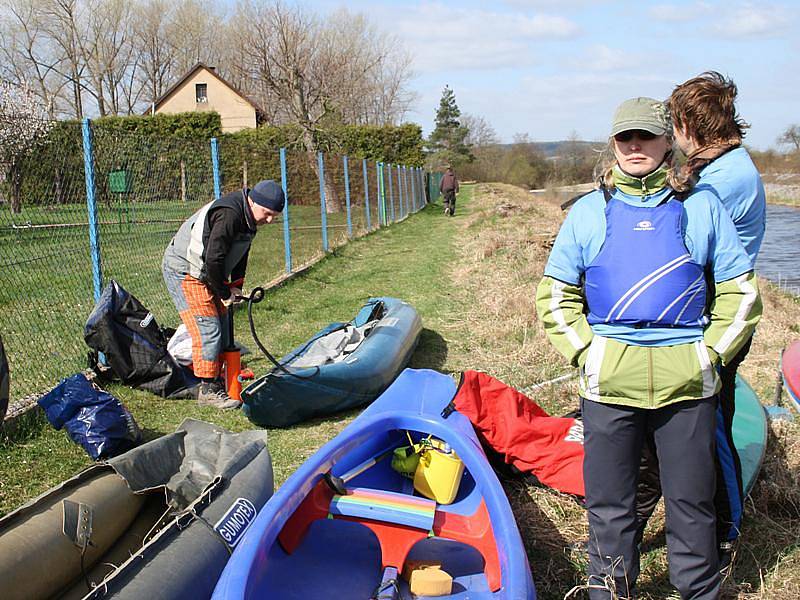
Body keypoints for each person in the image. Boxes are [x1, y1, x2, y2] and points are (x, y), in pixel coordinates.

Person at [536, 97, 761, 599]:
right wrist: (588, 353)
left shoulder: (701, 206)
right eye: (625, 138)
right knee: (610, 502)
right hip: (609, 382)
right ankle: (609, 590)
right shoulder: (589, 212)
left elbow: (740, 291)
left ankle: (698, 589)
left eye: (646, 137)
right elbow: (555, 294)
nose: (635, 146)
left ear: (667, 142)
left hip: (687, 383)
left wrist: (710, 354)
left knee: (692, 501)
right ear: (613, 145)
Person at [162, 179, 285, 409]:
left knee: (222, 319)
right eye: (267, 213)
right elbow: (213, 259)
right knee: (207, 326)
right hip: (185, 269)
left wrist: (236, 285)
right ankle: (208, 388)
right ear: (253, 201)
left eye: (274, 216)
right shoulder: (229, 215)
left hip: (207, 269)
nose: (269, 220)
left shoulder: (249, 218)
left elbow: (241, 253)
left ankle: (219, 375)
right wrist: (223, 291)